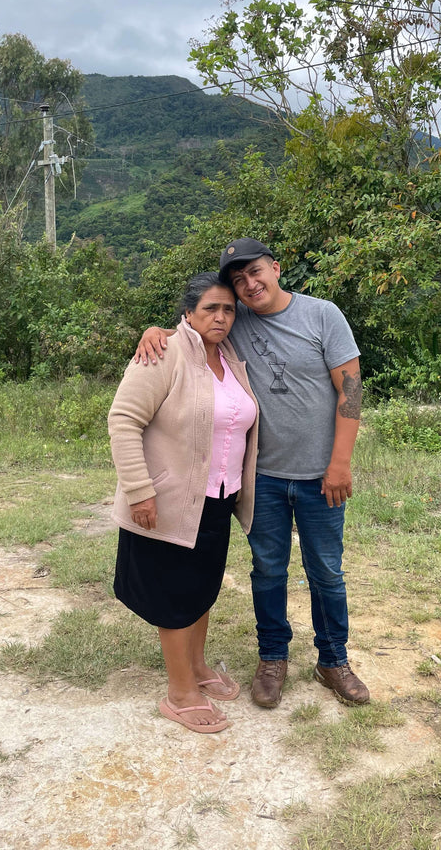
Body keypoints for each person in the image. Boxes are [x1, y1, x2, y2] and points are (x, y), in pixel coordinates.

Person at [136, 239, 369, 709]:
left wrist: (340, 463)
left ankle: (333, 659)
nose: (249, 284)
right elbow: (194, 325)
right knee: (267, 571)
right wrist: (154, 329)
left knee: (326, 570)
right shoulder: (235, 322)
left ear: (276, 268)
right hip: (259, 478)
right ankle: (272, 658)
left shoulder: (322, 315)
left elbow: (351, 388)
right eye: (239, 280)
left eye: (255, 272)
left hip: (320, 476)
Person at [109, 272, 258, 734]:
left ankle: (196, 668)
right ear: (188, 313)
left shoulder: (231, 358)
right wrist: (140, 491)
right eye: (210, 308)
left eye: (229, 309)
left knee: (201, 589)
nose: (221, 316)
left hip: (217, 499)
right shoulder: (164, 352)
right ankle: (179, 693)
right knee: (173, 594)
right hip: (167, 500)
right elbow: (123, 420)